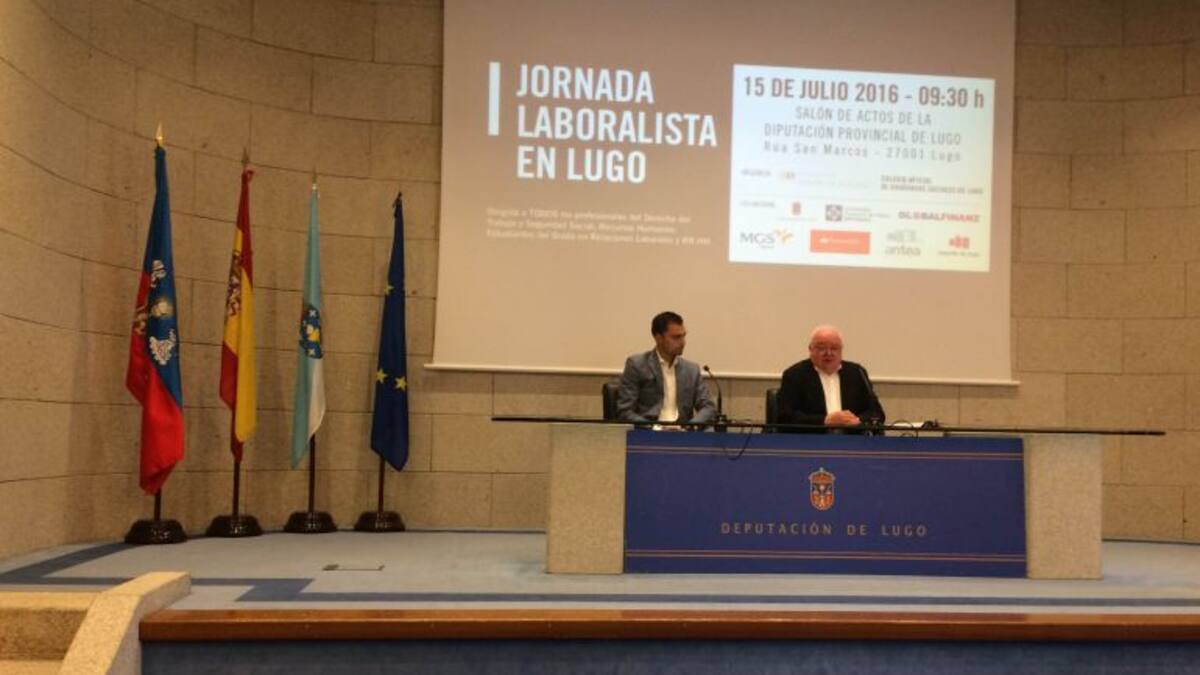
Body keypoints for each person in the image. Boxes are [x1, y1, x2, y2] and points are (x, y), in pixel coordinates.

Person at [777, 325, 884, 433]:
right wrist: (824, 421)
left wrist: (858, 421)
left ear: (841, 350)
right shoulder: (795, 375)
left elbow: (877, 413)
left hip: (853, 438)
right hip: (812, 439)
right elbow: (785, 417)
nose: (828, 353)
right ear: (810, 349)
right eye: (821, 348)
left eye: (834, 348)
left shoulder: (857, 373)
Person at [616, 311, 716, 427]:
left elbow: (708, 407)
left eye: (683, 336)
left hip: (683, 432)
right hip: (649, 432)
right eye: (676, 337)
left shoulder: (691, 370)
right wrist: (653, 428)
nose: (683, 342)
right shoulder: (637, 365)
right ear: (659, 338)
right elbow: (625, 411)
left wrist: (691, 426)